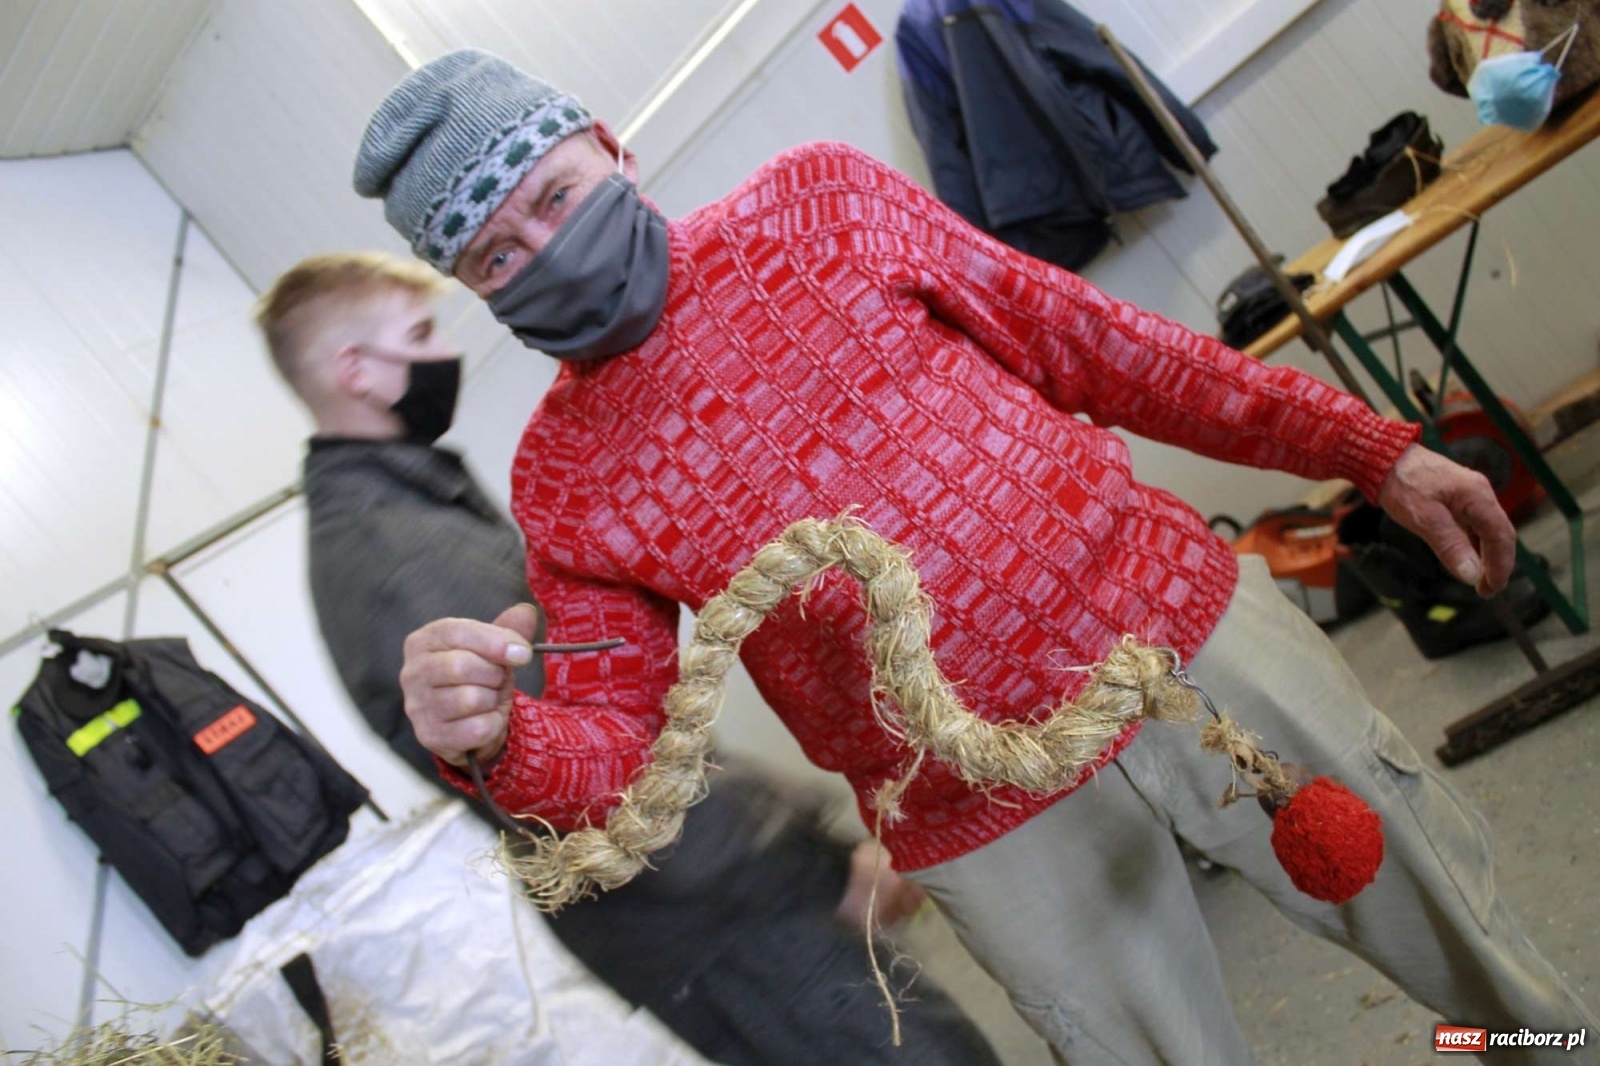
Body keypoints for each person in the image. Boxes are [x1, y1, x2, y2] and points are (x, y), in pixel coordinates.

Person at [353, 49, 1599, 1064]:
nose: (544, 252)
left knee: (1451, 943)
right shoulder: (565, 478)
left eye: (554, 199)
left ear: (613, 147)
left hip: (1176, 640)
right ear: (475, 287)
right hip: (977, 815)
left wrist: (1368, 448)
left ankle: (1520, 1051)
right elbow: (619, 761)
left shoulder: (821, 204)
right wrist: (494, 742)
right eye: (497, 256)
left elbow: (1098, 346)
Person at [253, 251, 1004, 1066]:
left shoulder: (401, 511)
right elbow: (597, 785)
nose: (443, 353)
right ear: (356, 370)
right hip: (710, 914)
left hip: (689, 910)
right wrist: (809, 866)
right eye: (420, 333)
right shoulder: (407, 556)